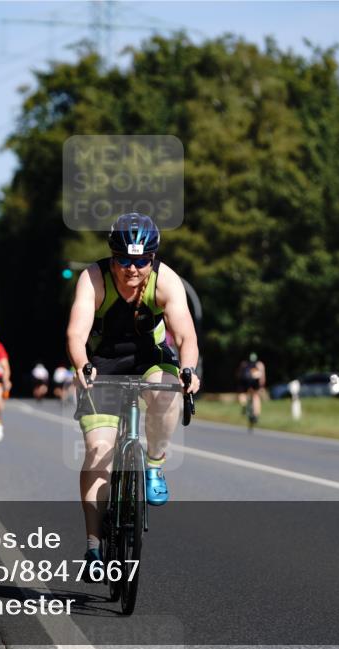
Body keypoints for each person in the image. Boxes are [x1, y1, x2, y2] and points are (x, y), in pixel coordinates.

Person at [65, 212, 201, 578]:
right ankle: (94, 547)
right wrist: (81, 365)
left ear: (152, 258)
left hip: (149, 359)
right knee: (97, 451)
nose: (132, 269)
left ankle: (154, 465)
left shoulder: (165, 280)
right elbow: (77, 333)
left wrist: (189, 370)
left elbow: (186, 335)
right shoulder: (93, 279)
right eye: (124, 259)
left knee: (167, 391)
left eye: (142, 260)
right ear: (112, 256)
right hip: (104, 364)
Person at [237, 352, 266, 426]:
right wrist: (261, 386)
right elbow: (262, 378)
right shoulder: (259, 364)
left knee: (242, 394)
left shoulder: (244, 364)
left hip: (245, 382)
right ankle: (256, 414)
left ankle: (244, 405)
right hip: (255, 382)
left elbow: (239, 375)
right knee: (256, 397)